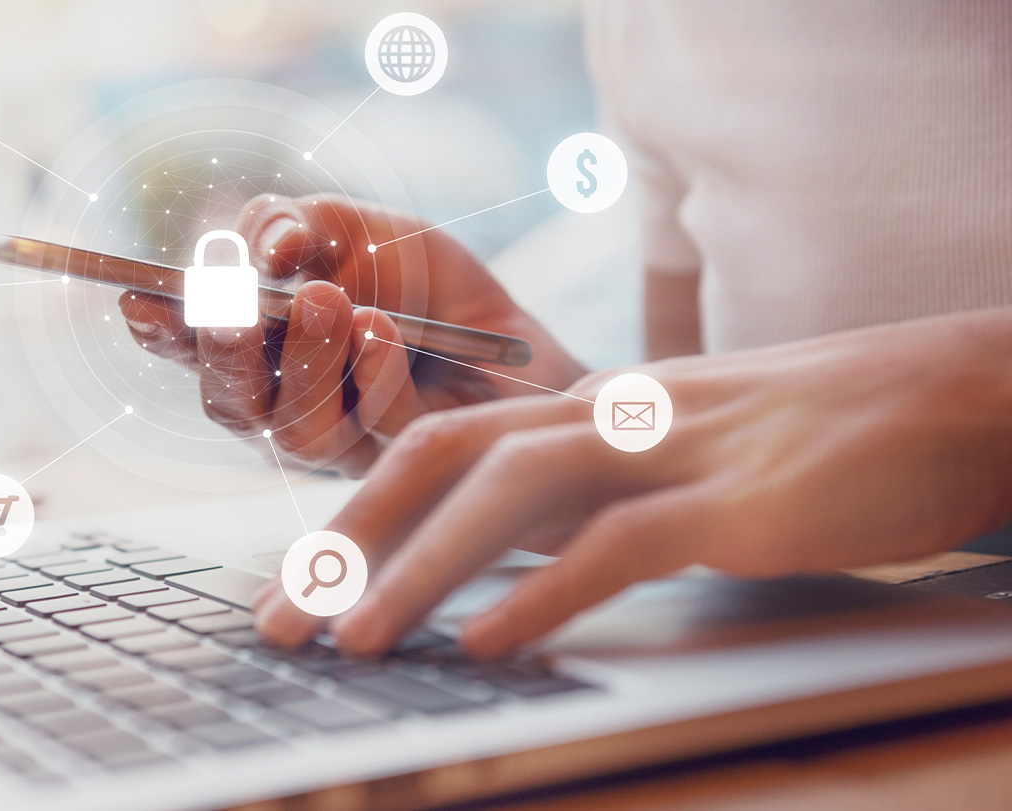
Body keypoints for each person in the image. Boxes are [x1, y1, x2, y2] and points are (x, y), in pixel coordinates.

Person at [121, 1, 1012, 659]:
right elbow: (729, 424)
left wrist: (984, 399)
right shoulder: (647, 23)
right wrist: (550, 410)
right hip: (834, 659)